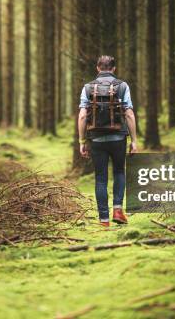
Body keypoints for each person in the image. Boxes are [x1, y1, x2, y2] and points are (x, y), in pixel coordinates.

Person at [78, 55, 138, 227]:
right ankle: (118, 210)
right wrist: (134, 140)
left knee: (101, 178)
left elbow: (82, 116)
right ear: (114, 69)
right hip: (118, 137)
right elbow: (129, 113)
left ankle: (104, 219)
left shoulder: (87, 87)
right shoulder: (122, 86)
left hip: (96, 139)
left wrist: (82, 141)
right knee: (119, 172)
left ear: (97, 68)